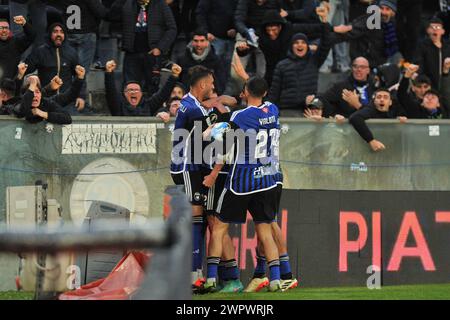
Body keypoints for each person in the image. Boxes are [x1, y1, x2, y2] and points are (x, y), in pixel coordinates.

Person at [202, 76, 283, 293]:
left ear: (245, 91)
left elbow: (222, 138)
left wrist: (210, 131)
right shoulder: (274, 109)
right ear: (265, 92)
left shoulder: (240, 115)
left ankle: (210, 277)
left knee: (219, 227)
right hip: (267, 179)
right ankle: (275, 279)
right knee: (264, 229)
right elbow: (258, 96)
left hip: (242, 180)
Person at [169, 65, 217, 291]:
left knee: (199, 218)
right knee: (195, 217)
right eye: (212, 84)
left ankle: (195, 272)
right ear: (203, 85)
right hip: (187, 167)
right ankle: (190, 275)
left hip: (193, 166)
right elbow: (208, 135)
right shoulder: (193, 109)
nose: (213, 87)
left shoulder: (192, 105)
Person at [267, 6, 332, 116]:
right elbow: (274, 93)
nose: (300, 45)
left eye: (303, 42)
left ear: (307, 46)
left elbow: (326, 43)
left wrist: (325, 21)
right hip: (287, 110)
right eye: (296, 42)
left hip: (309, 110)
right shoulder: (282, 65)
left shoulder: (314, 61)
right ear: (291, 46)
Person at [108, 0, 177, 95]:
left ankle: (150, 110)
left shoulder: (160, 4)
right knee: (130, 88)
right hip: (131, 53)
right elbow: (111, 16)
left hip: (152, 54)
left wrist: (160, 48)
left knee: (152, 89)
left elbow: (172, 28)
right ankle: (130, 109)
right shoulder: (127, 3)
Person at [24, 22, 84, 113]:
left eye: (61, 32)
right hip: (46, 101)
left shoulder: (71, 53)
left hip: (67, 102)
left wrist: (81, 96)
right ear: (50, 34)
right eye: (55, 31)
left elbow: (80, 76)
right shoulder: (40, 52)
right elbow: (26, 69)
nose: (59, 34)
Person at [104, 60, 182, 116]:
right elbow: (111, 92)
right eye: (130, 90)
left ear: (141, 94)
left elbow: (163, 94)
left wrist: (174, 75)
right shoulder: (118, 106)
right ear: (124, 94)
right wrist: (109, 73)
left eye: (137, 90)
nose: (133, 92)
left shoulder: (148, 105)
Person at [16, 65, 86, 124]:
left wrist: (79, 79)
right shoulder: (19, 105)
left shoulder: (46, 102)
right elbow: (22, 109)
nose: (34, 95)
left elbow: (67, 117)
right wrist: (20, 77)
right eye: (31, 90)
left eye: (37, 92)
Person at [414, 17, 450, 91]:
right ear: (427, 30)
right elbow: (419, 64)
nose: (435, 29)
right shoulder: (422, 46)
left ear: (443, 31)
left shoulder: (447, 47)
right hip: (429, 85)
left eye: (438, 27)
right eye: (432, 27)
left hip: (446, 84)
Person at [0, 16, 33, 81]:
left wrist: (25, 24)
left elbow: (32, 36)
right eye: (1, 28)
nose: (4, 30)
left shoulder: (15, 42)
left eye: (6, 28)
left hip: (13, 85)